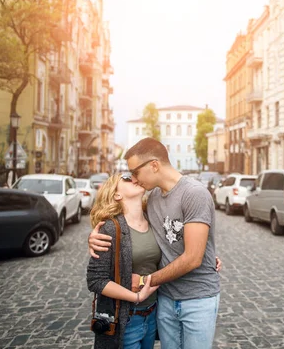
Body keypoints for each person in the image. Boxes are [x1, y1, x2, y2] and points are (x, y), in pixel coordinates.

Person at [89, 138, 220, 349]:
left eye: (135, 172)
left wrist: (144, 280)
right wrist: (94, 239)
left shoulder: (194, 193)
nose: (134, 178)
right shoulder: (152, 199)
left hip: (198, 298)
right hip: (165, 299)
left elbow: (193, 257)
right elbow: (137, 232)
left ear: (154, 165)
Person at [87, 172, 161, 349]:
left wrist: (204, 258)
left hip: (152, 315)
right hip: (127, 319)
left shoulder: (154, 220)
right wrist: (135, 296)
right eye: (127, 178)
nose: (135, 178)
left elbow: (175, 246)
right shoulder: (110, 228)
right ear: (116, 194)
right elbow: (95, 280)